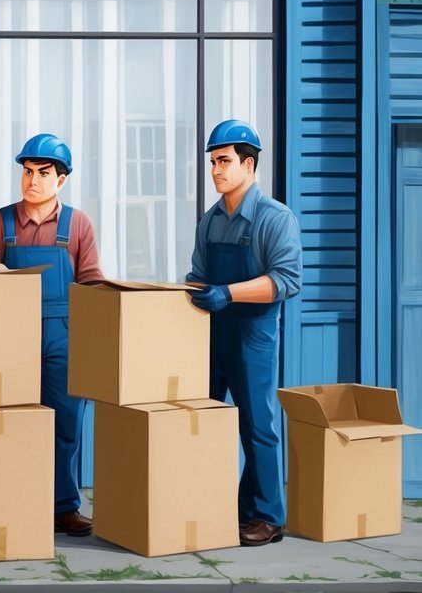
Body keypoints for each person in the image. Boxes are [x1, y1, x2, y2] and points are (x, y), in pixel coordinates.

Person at [0, 133, 103, 537]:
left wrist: (98, 340)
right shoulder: (0, 222)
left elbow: (92, 282)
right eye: (27, 172)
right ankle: (15, 500)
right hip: (12, 336)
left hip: (64, 331)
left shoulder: (78, 225)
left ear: (61, 180)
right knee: (14, 422)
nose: (32, 180)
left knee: (66, 421)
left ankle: (64, 507)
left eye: (43, 173)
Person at [187, 119, 302, 547]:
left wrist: (229, 293)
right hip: (211, 335)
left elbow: (286, 280)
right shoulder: (210, 221)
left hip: (253, 336)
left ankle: (269, 516)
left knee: (257, 426)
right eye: (213, 162)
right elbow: (198, 274)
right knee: (205, 424)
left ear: (248, 164)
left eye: (224, 161)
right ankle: (223, 507)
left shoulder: (275, 218)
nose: (216, 170)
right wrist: (189, 291)